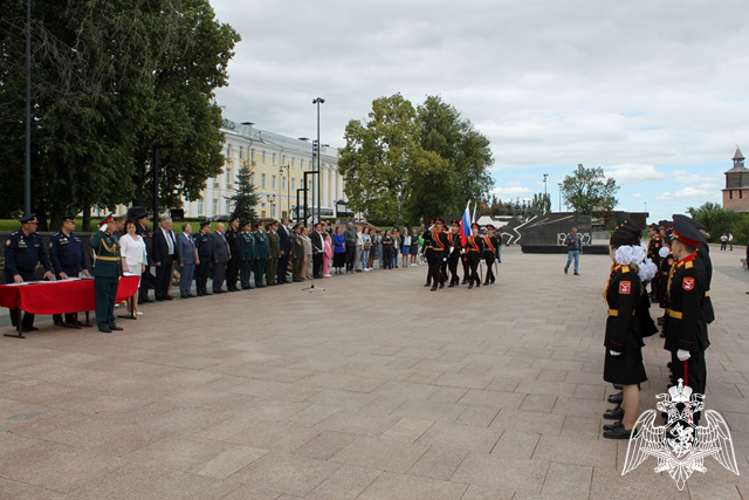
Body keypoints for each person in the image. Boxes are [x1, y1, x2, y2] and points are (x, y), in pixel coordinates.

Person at [664, 214, 711, 426]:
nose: (671, 247)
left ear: (680, 246)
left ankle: (685, 431)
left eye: (674, 243)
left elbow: (690, 311)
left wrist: (685, 344)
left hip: (687, 334)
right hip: (681, 330)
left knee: (687, 381)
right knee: (681, 381)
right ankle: (680, 421)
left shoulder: (690, 272)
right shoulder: (685, 266)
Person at [601, 227, 647, 439]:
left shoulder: (627, 276)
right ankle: (626, 418)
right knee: (626, 378)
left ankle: (629, 426)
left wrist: (617, 342)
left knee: (629, 380)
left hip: (625, 332)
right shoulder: (623, 271)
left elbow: (625, 312)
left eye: (613, 248)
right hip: (623, 329)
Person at [4, 214, 55, 332]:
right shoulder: (14, 238)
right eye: (34, 224)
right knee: (16, 300)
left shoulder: (36, 237)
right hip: (16, 272)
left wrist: (47, 269)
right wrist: (15, 274)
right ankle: (18, 325)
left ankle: (28, 323)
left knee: (32, 298)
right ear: (26, 226)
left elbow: (42, 254)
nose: (36, 226)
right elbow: (9, 258)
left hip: (29, 272)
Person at [50, 215, 91, 326]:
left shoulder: (76, 237)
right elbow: (54, 256)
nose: (74, 225)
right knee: (61, 295)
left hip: (75, 269)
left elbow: (82, 253)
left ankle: (71, 316)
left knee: (73, 294)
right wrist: (59, 271)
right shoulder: (56, 238)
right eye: (71, 223)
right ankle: (58, 317)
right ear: (65, 223)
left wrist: (85, 268)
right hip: (64, 270)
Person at [90, 215, 122, 333]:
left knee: (111, 299)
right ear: (106, 226)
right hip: (103, 272)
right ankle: (102, 322)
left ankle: (110, 321)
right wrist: (100, 231)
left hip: (113, 272)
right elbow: (92, 244)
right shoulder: (99, 237)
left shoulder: (112, 237)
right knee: (103, 299)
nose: (114, 225)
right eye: (111, 223)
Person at [119, 219, 147, 314]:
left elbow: (143, 252)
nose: (131, 229)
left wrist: (143, 263)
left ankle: (135, 307)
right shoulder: (124, 238)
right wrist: (124, 265)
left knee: (136, 286)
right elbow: (122, 253)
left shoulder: (139, 237)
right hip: (129, 264)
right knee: (129, 287)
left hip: (138, 264)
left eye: (132, 227)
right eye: (129, 227)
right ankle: (130, 308)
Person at [152, 217, 176, 301]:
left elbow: (172, 244)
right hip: (161, 258)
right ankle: (158, 294)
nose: (171, 226)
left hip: (170, 256)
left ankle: (164, 293)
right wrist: (157, 260)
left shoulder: (170, 233)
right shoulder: (157, 233)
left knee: (167, 277)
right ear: (164, 224)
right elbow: (155, 247)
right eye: (169, 224)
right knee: (160, 277)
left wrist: (174, 257)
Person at [135, 213, 154, 304]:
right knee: (141, 277)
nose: (148, 220)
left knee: (146, 276)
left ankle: (144, 295)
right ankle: (138, 296)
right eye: (146, 219)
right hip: (141, 256)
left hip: (148, 255)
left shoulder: (148, 229)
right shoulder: (138, 229)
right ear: (141, 219)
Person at [426, 219, 449, 291]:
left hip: (440, 254)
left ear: (442, 225)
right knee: (433, 270)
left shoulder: (444, 235)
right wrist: (428, 230)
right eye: (436, 224)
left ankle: (435, 284)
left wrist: (445, 256)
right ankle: (441, 280)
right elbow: (424, 237)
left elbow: (446, 246)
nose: (438, 225)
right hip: (433, 253)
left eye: (439, 224)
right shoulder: (432, 234)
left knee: (436, 268)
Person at [176, 223, 198, 298]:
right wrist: (181, 261)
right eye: (189, 227)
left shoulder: (190, 237)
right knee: (184, 276)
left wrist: (195, 258)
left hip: (191, 260)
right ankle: (183, 291)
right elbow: (180, 250)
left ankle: (188, 290)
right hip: (185, 260)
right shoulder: (181, 238)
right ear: (185, 228)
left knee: (190, 276)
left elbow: (193, 248)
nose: (191, 228)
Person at [194, 221, 213, 296]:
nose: (209, 228)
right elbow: (196, 247)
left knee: (205, 274)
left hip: (208, 258)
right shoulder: (198, 235)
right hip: (201, 257)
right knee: (200, 274)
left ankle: (204, 289)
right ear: (204, 227)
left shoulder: (208, 235)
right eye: (208, 227)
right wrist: (197, 258)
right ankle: (199, 290)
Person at [212, 222, 231, 293]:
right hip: (218, 258)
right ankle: (216, 287)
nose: (224, 228)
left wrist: (228, 253)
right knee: (217, 273)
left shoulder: (222, 235)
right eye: (222, 227)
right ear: (218, 228)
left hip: (224, 257)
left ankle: (220, 286)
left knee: (222, 273)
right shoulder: (214, 235)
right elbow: (214, 248)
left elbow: (226, 245)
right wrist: (215, 257)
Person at [465, 222, 484, 289]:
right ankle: (478, 281)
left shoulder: (480, 238)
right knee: (472, 269)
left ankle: (471, 283)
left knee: (473, 269)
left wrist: (482, 257)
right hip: (470, 255)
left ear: (478, 230)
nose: (474, 230)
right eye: (473, 228)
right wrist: (464, 249)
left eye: (475, 228)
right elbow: (467, 245)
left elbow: (481, 248)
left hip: (476, 255)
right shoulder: (469, 238)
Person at [239, 221, 256, 290]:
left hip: (250, 254)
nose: (250, 227)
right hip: (245, 255)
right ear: (244, 227)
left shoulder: (251, 234)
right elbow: (241, 246)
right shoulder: (242, 235)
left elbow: (252, 245)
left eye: (250, 226)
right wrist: (242, 255)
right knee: (244, 270)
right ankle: (244, 283)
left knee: (248, 270)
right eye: (248, 226)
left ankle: (247, 282)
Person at [225, 217, 241, 291]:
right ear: (233, 222)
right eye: (236, 221)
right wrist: (229, 253)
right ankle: (230, 285)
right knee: (231, 269)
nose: (238, 223)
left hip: (237, 253)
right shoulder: (229, 231)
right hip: (232, 253)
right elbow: (228, 243)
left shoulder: (237, 231)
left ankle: (234, 284)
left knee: (236, 269)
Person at [253, 221, 269, 287]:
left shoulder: (264, 234)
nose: (263, 227)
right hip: (259, 254)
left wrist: (267, 254)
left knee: (262, 269)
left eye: (263, 225)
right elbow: (255, 245)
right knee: (258, 269)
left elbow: (266, 245)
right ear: (258, 226)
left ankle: (261, 281)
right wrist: (257, 254)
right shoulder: (256, 234)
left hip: (264, 254)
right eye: (261, 225)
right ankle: (258, 282)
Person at [446, 221, 462, 287]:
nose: (454, 228)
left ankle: (452, 282)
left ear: (458, 227)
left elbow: (457, 242)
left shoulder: (459, 235)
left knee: (454, 266)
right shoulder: (449, 235)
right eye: (452, 226)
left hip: (456, 252)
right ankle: (456, 278)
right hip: (449, 252)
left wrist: (453, 247)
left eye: (455, 226)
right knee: (450, 267)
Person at [277, 218, 292, 284]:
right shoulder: (280, 229)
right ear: (283, 222)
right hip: (283, 249)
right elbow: (280, 240)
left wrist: (290, 249)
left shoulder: (287, 229)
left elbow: (289, 240)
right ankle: (280, 278)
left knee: (285, 264)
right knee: (281, 264)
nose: (288, 222)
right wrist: (281, 249)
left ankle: (284, 277)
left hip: (287, 249)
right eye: (287, 220)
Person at [266, 221, 281, 285]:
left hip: (276, 253)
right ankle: (269, 280)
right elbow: (268, 245)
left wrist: (279, 252)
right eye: (275, 226)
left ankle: (273, 279)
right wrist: (269, 253)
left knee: (274, 267)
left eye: (276, 226)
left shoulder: (276, 234)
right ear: (271, 227)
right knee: (270, 267)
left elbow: (278, 244)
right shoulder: (268, 234)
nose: (276, 227)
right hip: (271, 253)